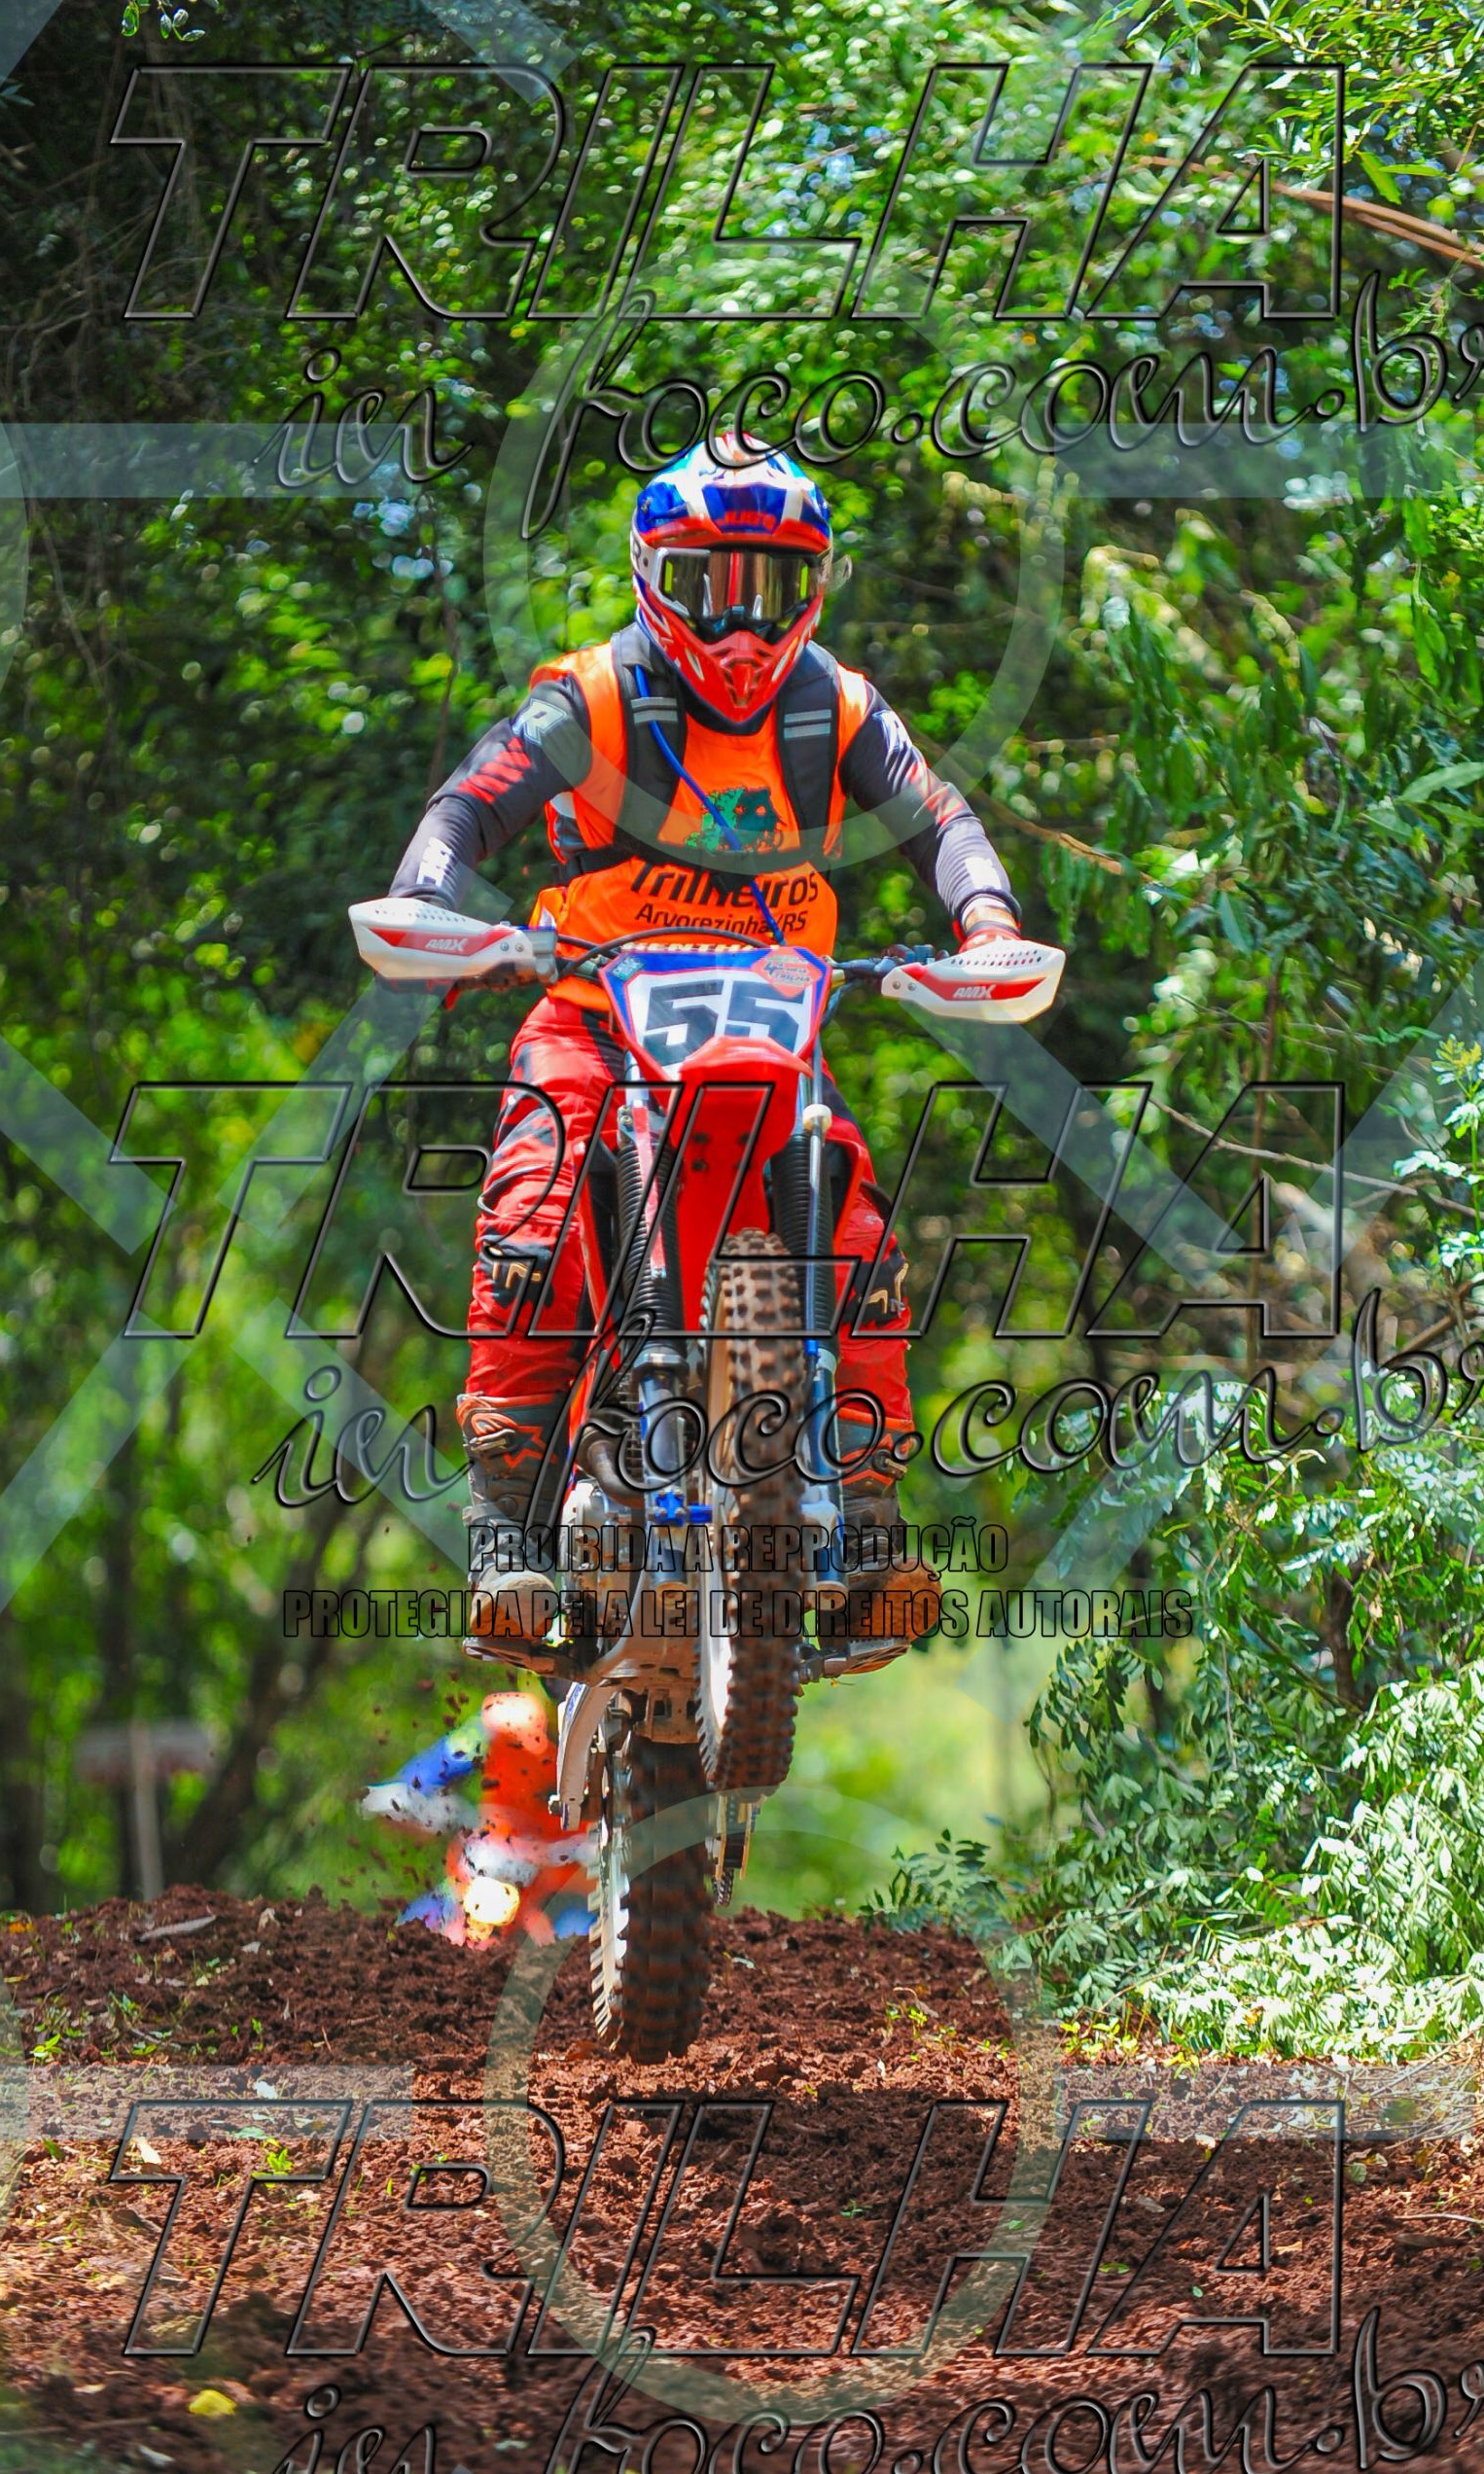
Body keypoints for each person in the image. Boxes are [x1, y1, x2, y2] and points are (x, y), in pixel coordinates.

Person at [379, 438, 1027, 1642]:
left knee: (859, 1244)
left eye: (768, 589)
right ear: (650, 577)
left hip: (770, 1029)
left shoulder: (834, 706)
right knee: (532, 1220)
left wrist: (985, 921)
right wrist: (431, 901)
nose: (739, 626)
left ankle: (865, 1529)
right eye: (706, 585)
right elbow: (470, 802)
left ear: (811, 590)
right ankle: (504, 1532)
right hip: (596, 1018)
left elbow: (941, 816)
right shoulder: (592, 696)